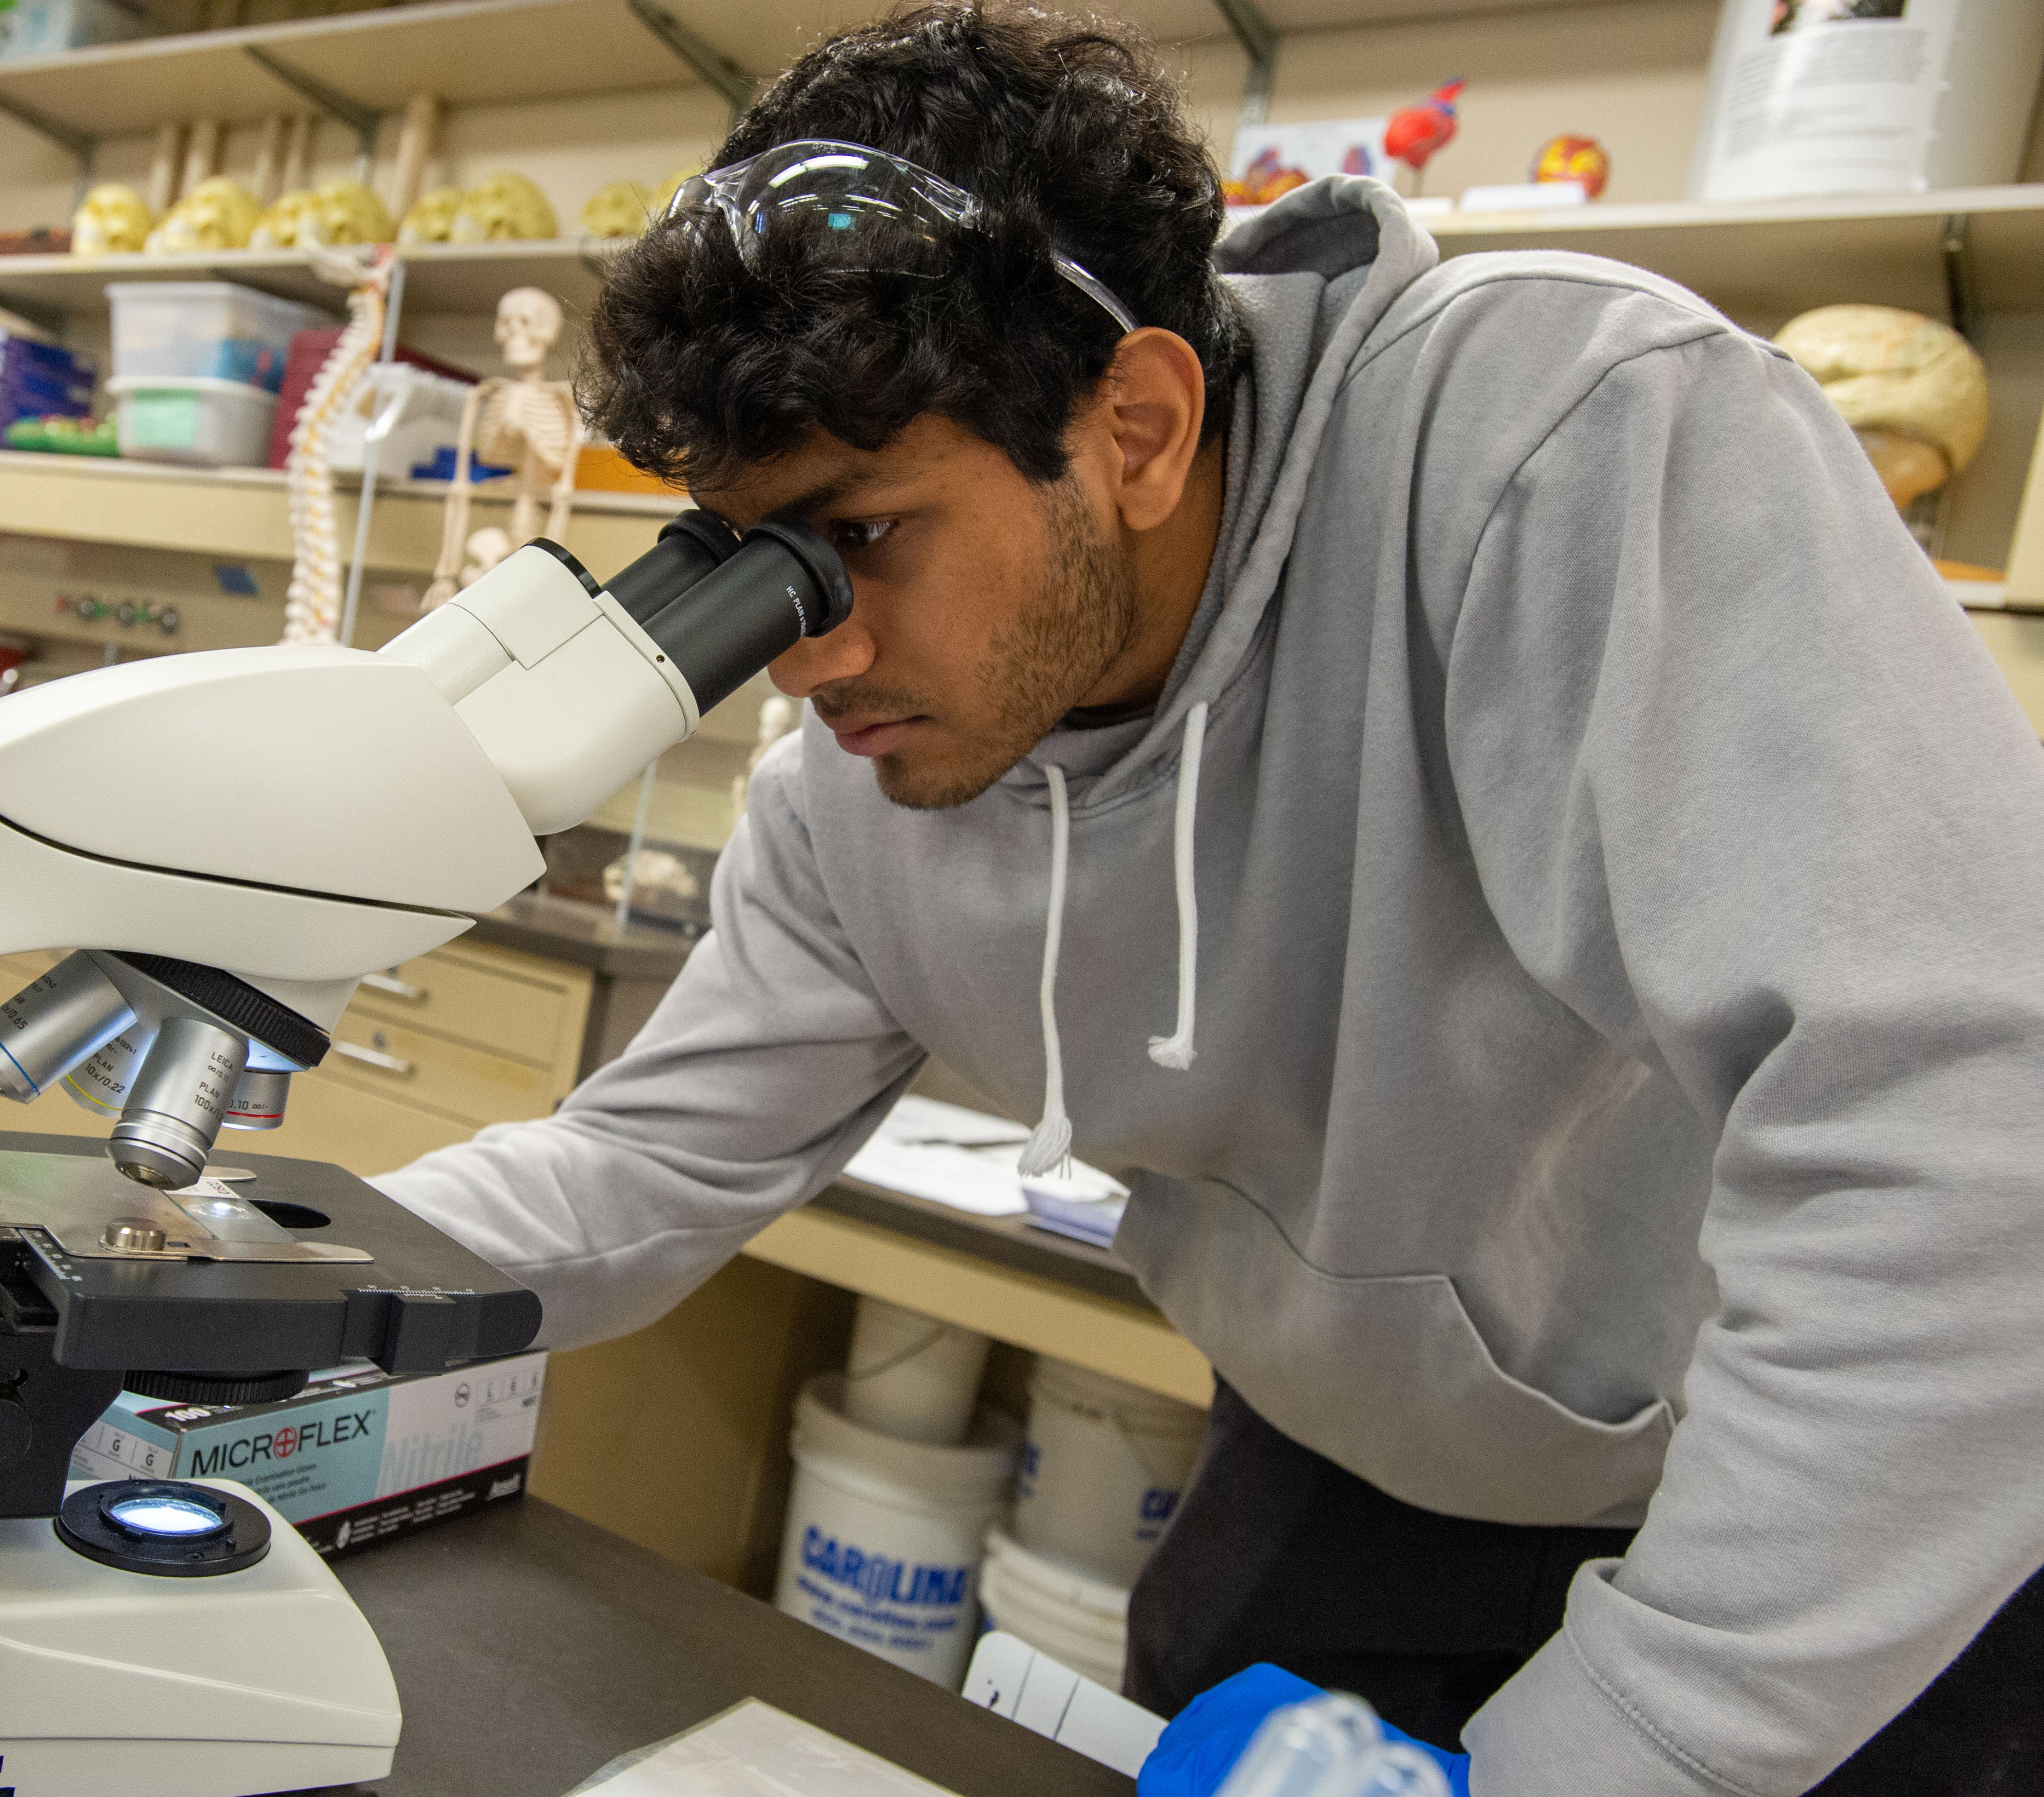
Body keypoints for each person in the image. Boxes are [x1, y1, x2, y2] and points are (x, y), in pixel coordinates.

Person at [374, 5, 2044, 1791]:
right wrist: (263, 1271)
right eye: (749, 557)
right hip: (1360, 1448)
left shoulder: (1574, 445)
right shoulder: (859, 781)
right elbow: (642, 1169)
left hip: (1842, 1481)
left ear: (1144, 424)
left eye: (857, 538)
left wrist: (1641, 1742)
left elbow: (1966, 1138)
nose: (808, 653)